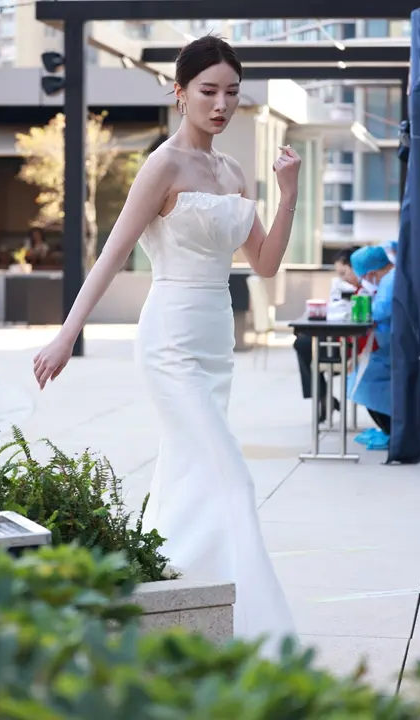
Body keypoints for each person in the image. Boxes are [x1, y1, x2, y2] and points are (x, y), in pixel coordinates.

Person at [33, 35, 301, 657]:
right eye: (208, 91)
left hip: (215, 344)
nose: (221, 104)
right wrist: (67, 333)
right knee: (232, 478)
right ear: (180, 93)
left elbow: (264, 264)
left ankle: (163, 610)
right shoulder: (162, 166)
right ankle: (260, 634)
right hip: (170, 342)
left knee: (189, 477)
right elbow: (113, 253)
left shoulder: (233, 172)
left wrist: (288, 195)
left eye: (231, 92)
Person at [293, 246, 360, 424]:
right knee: (303, 343)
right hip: (340, 338)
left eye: (344, 273)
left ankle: (322, 396)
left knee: (304, 345)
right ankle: (323, 396)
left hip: (352, 344)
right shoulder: (345, 288)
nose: (342, 279)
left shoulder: (365, 289)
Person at [348, 246, 395, 449]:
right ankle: (390, 431)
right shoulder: (390, 278)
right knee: (360, 380)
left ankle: (393, 432)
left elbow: (380, 310)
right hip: (388, 342)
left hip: (391, 345)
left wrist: (365, 306)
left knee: (364, 383)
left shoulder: (390, 280)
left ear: (370, 274)